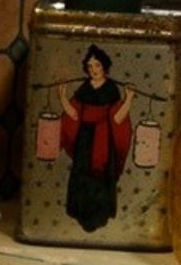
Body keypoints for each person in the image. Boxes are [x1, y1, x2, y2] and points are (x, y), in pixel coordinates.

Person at [58, 44, 135, 233]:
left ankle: (100, 213)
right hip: (84, 139)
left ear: (104, 67)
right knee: (82, 175)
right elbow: (75, 115)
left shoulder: (111, 88)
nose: (93, 70)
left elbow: (117, 118)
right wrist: (62, 98)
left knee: (100, 178)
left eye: (97, 65)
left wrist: (129, 99)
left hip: (104, 138)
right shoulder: (84, 86)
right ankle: (81, 212)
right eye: (90, 66)